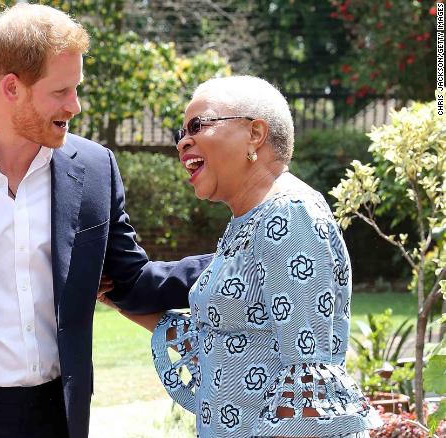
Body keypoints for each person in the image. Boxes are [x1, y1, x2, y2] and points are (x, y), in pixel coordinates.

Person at [0, 4, 211, 438]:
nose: (76, 105)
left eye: (76, 88)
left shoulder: (95, 167)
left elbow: (131, 279)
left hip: (59, 415)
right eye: (61, 91)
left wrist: (238, 261)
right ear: (11, 86)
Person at [100, 76, 383, 437]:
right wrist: (113, 297)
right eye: (181, 133)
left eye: (198, 125)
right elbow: (222, 343)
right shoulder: (250, 220)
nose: (183, 142)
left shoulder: (289, 214)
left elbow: (307, 379)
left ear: (255, 134)